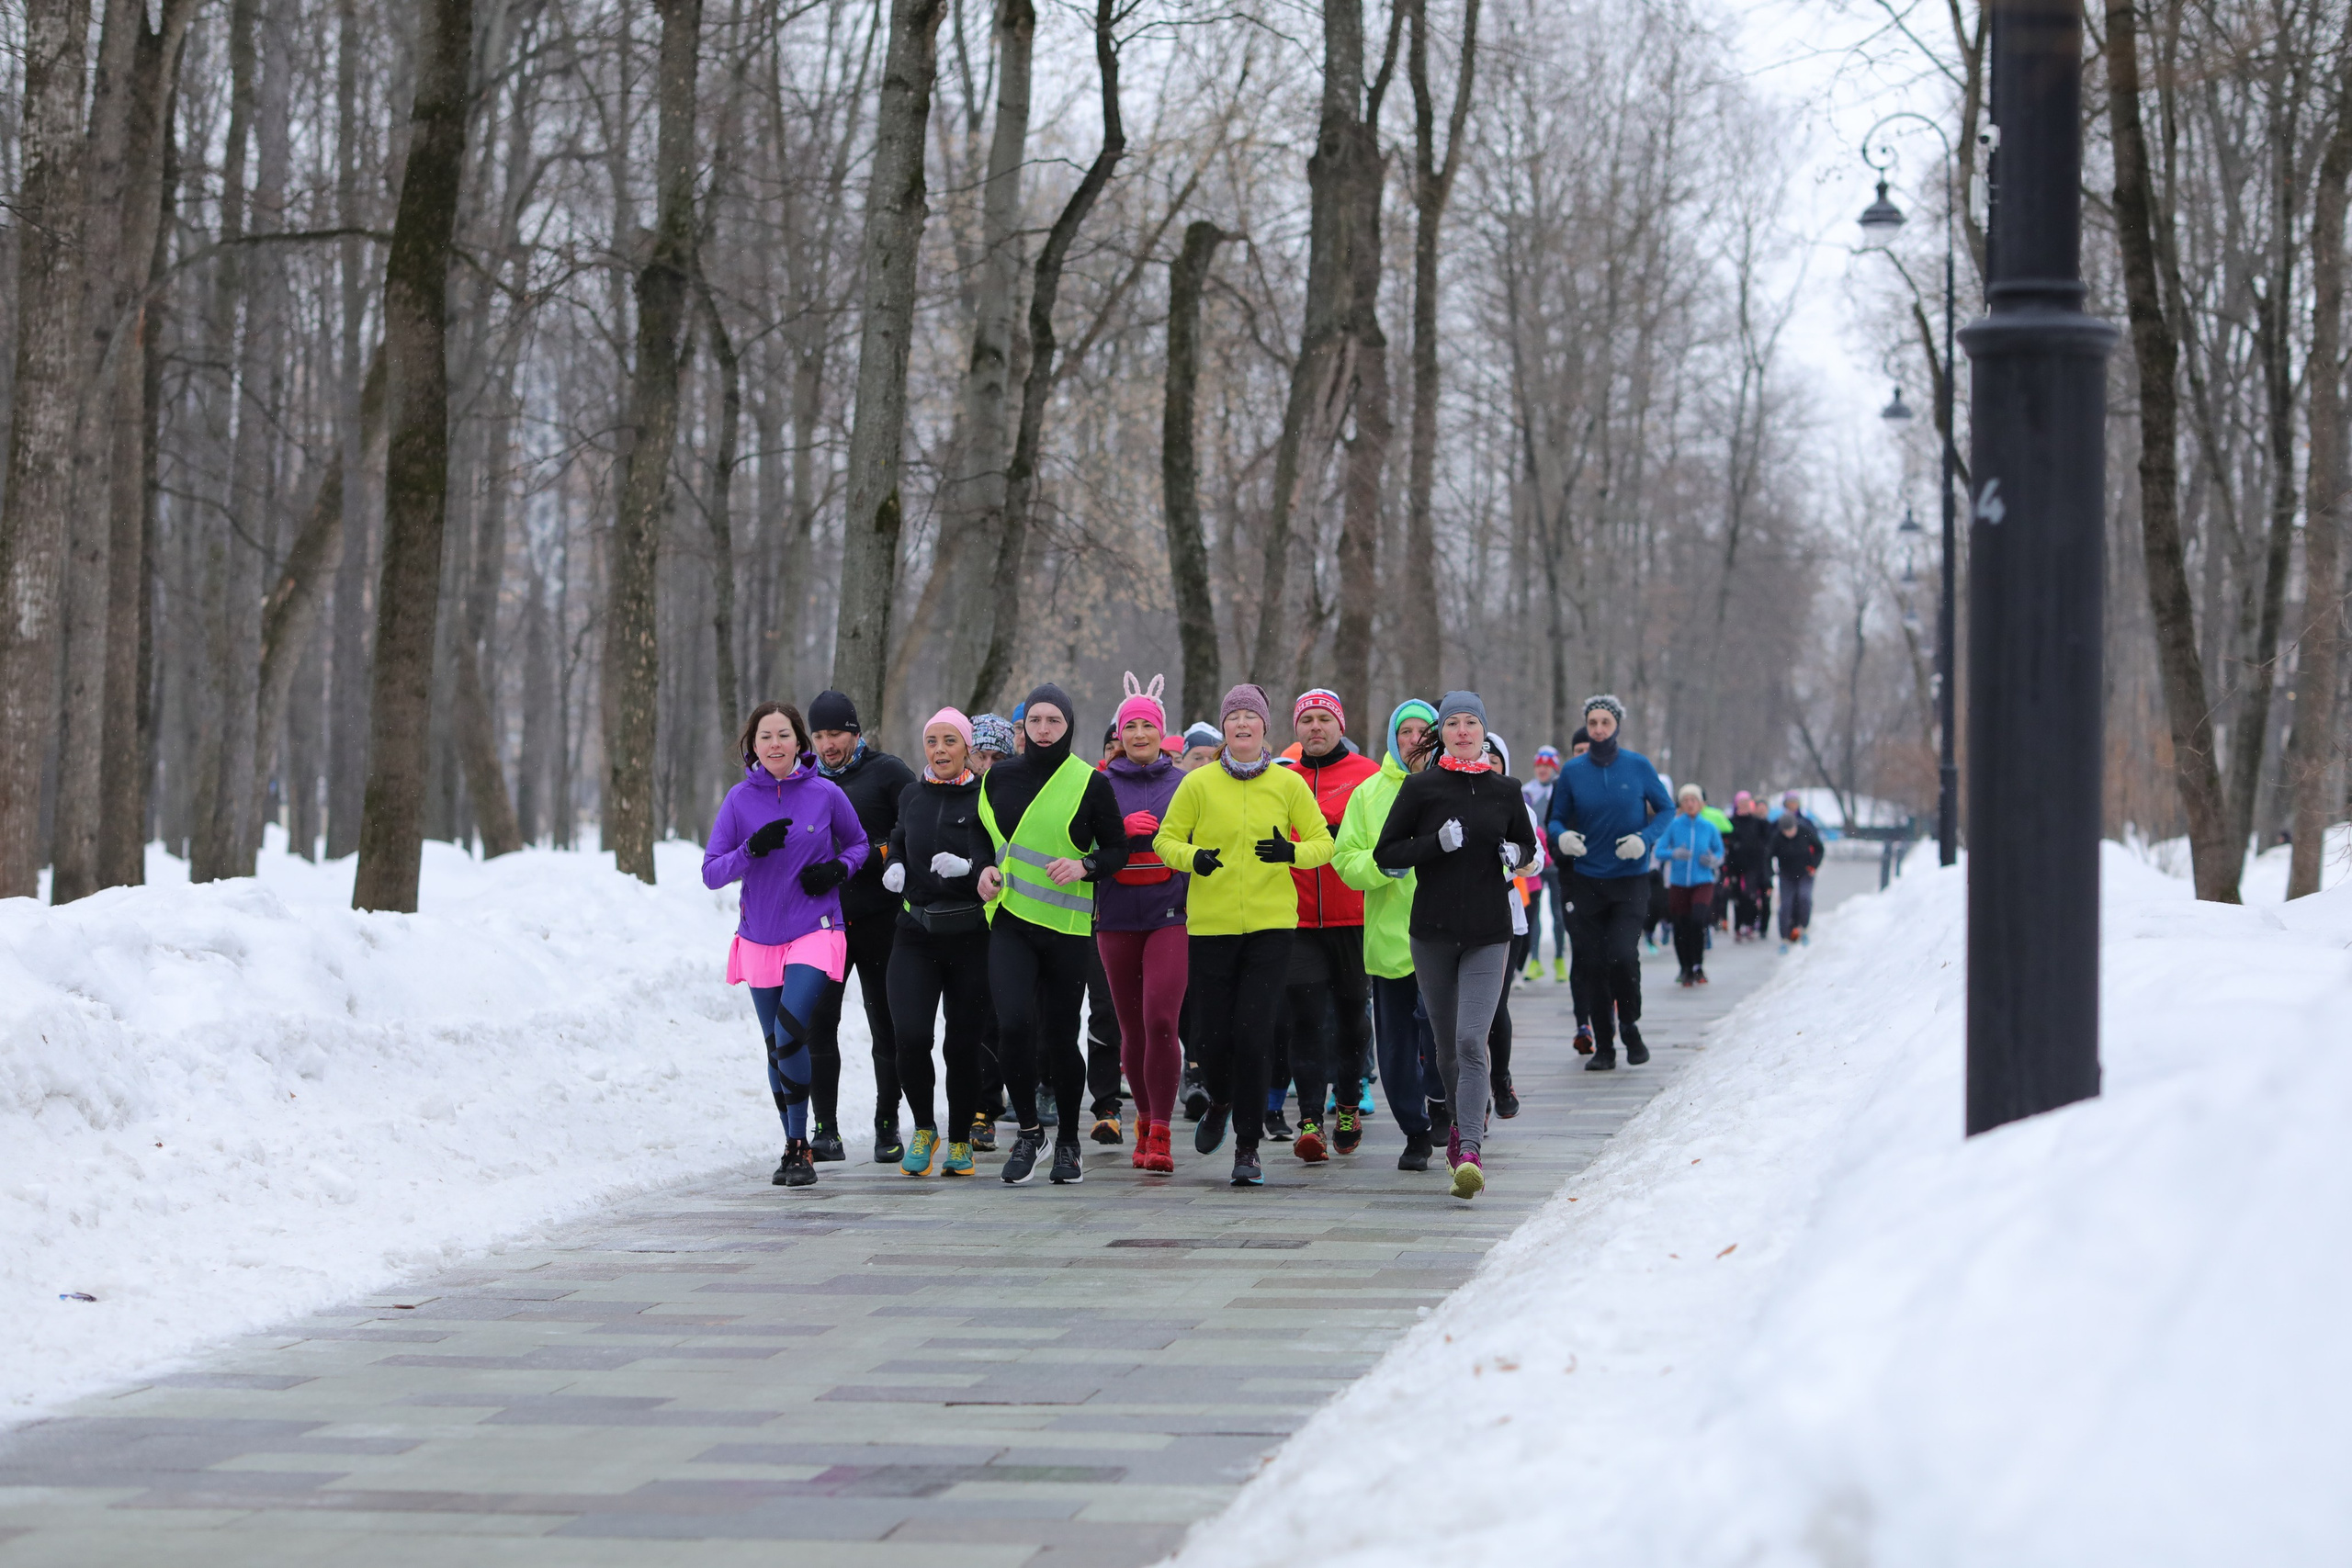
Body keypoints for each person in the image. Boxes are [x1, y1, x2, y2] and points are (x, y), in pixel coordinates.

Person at [1154, 682, 1336, 1187]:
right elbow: (1165, 841)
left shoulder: (1287, 785)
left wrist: (1290, 854)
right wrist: (1195, 859)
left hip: (1271, 927)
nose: (1241, 725)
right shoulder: (1198, 784)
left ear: (1263, 728)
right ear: (1224, 728)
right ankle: (1222, 1099)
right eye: (1233, 717)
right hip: (1211, 927)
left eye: (1249, 718)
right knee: (1210, 1038)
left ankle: (1248, 1147)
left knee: (1254, 1034)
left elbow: (1324, 844)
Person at [1373, 693, 1535, 1201]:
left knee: (1471, 1041)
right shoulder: (1422, 789)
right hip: (1433, 935)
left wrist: (1516, 853)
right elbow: (1386, 852)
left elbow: (1528, 846)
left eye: (1471, 723)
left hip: (1490, 934)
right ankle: (1458, 1131)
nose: (1463, 730)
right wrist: (1433, 845)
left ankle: (1469, 1148)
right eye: (1453, 723)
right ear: (1440, 732)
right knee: (1445, 1047)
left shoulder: (1506, 790)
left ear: (1484, 731)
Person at [702, 703, 869, 1188]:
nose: (775, 744)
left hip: (816, 928)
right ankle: (793, 1147)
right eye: (764, 737)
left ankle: (801, 1142)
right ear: (752, 747)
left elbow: (859, 844)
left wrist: (838, 870)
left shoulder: (825, 793)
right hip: (758, 937)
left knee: (792, 1029)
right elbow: (712, 873)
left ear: (800, 742)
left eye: (783, 735)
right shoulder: (737, 801)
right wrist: (749, 850)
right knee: (777, 1045)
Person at [976, 684, 1131, 1185]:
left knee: (1061, 1037)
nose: (1043, 730)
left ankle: (1067, 1139)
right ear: (1023, 728)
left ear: (1068, 727)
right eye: (1035, 721)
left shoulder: (1090, 783)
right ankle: (1028, 1132)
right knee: (1015, 1026)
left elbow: (1117, 851)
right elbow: (982, 838)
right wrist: (982, 870)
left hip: (1066, 930)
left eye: (1054, 722)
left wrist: (1085, 865)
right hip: (1011, 923)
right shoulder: (998, 778)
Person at [801, 690, 918, 1164]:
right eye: (821, 735)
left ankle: (887, 1124)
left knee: (886, 1026)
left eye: (837, 734)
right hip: (824, 925)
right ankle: (825, 1129)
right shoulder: (803, 780)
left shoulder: (887, 772)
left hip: (880, 921)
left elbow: (914, 826)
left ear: (855, 732)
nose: (829, 744)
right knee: (819, 1025)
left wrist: (871, 854)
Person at [880, 709, 996, 1178]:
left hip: (970, 934)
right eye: (932, 741)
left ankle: (962, 1139)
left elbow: (997, 854)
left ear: (967, 747)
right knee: (909, 1036)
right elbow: (899, 837)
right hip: (915, 932)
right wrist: (895, 863)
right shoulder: (911, 793)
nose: (940, 750)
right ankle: (925, 1129)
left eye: (950, 740)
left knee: (961, 1045)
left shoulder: (986, 795)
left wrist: (971, 869)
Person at [1274, 687, 1381, 1163]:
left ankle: (1349, 1104)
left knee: (1352, 1017)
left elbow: (1380, 836)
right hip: (1297, 918)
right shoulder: (1281, 778)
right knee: (1305, 1018)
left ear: (1340, 726)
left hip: (1354, 916)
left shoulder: (1367, 775)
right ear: (1295, 729)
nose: (1315, 727)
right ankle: (1311, 1119)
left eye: (1324, 719)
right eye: (1307, 720)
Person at [1332, 699, 1440, 1168]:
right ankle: (1414, 1131)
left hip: (1446, 939)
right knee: (1396, 1053)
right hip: (1391, 942)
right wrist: (1382, 864)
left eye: (1423, 732)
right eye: (1405, 732)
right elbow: (1345, 858)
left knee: (1441, 1043)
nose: (1414, 740)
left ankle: (1444, 1107)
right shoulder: (1369, 794)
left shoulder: (1455, 790)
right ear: (1394, 739)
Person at [1545, 694, 1672, 1072]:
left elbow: (1666, 809)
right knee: (1592, 964)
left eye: (1606, 722)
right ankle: (1605, 1046)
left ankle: (1629, 1024)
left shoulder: (1637, 766)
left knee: (1621, 954)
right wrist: (1563, 838)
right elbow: (1555, 819)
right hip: (1587, 882)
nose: (1599, 728)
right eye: (1593, 722)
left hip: (1629, 882)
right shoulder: (1572, 771)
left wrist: (1644, 840)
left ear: (1617, 725)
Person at [1095, 673, 1189, 1176]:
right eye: (1129, 726)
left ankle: (1162, 1130)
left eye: (1146, 726)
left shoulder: (1184, 784)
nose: (1138, 735)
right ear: (1119, 733)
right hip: (1113, 916)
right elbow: (1079, 849)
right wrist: (1119, 834)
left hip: (1169, 915)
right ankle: (1144, 1120)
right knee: (1131, 1027)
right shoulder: (1099, 785)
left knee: (1161, 1020)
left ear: (1160, 732)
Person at [1481, 732, 1548, 1120]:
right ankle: (1472, 1096)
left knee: (1495, 1006)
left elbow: (1536, 859)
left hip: (1508, 916)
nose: (1488, 768)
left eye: (1495, 762)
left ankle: (1500, 1078)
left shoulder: (1517, 804)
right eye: (1482, 760)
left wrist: (1519, 857)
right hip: (1457, 914)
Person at [963, 712, 1017, 1153]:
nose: (989, 763)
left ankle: (988, 1108)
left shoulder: (1016, 794)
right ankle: (973, 1105)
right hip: (955, 919)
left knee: (998, 1019)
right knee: (968, 1020)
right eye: (982, 753)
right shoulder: (950, 792)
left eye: (1000, 755)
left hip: (1004, 918)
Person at [1659, 783, 1725, 986]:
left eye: (1693, 800)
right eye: (1686, 800)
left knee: (1697, 920)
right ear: (1681, 804)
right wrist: (1674, 854)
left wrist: (1713, 860)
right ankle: (1685, 967)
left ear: (1701, 804)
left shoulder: (1709, 827)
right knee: (1681, 925)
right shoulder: (1674, 825)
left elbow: (1720, 852)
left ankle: (1698, 965)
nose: (1690, 804)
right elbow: (1659, 851)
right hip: (1679, 883)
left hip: (1703, 881)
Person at [1521, 745, 1567, 982]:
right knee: (1534, 914)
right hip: (1535, 863)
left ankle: (1559, 959)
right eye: (1539, 765)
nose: (1542, 770)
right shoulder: (1526, 792)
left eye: (1547, 766)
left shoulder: (1562, 791)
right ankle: (1535, 960)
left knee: (1558, 914)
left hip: (1557, 862)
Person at [1770, 792, 1826, 951]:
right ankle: (1785, 936)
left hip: (1805, 871)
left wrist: (1813, 865)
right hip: (1786, 873)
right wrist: (1769, 873)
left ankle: (1803, 928)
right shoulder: (1777, 830)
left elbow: (1819, 847)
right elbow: (1768, 852)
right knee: (1786, 905)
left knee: (1804, 898)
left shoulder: (1805, 826)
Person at [1724, 789, 1773, 940]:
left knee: (1750, 896)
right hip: (1735, 865)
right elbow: (1725, 839)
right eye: (1741, 804)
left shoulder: (1757, 822)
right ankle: (1738, 927)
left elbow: (1768, 836)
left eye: (1747, 803)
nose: (1744, 806)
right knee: (1738, 898)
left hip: (1753, 866)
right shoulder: (1731, 822)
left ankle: (1750, 924)